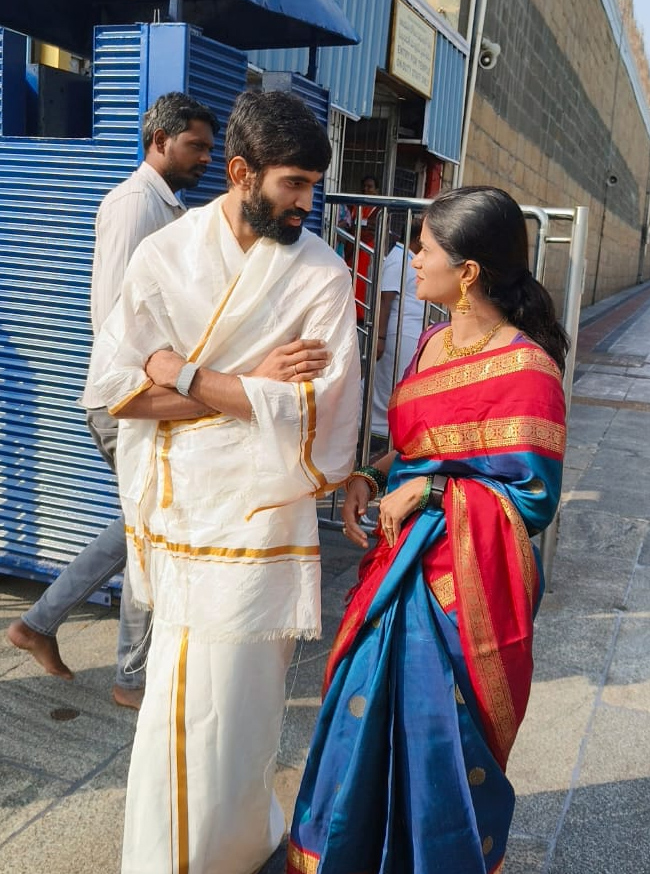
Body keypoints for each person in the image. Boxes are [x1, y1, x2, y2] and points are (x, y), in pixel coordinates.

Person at [87, 89, 360, 873]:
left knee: (242, 705)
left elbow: (321, 414)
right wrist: (246, 384)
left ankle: (237, 843)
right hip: (180, 512)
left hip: (262, 520)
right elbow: (119, 390)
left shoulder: (322, 278)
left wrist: (184, 372)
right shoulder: (163, 256)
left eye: (313, 185)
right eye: (294, 184)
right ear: (241, 172)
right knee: (180, 701)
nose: (309, 202)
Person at [288, 186, 569, 874]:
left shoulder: (529, 371)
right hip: (397, 567)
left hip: (459, 589)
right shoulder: (435, 344)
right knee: (361, 716)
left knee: (436, 732)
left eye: (424, 248)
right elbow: (418, 448)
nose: (411, 260)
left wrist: (436, 490)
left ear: (467, 271)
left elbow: (531, 499)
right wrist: (375, 474)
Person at [7, 92, 218, 711]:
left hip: (145, 393)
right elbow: (115, 314)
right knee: (150, 525)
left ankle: (40, 626)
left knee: (141, 523)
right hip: (130, 396)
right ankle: (130, 676)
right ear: (160, 140)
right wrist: (163, 384)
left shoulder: (167, 205)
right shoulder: (133, 206)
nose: (206, 158)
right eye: (196, 146)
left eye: (209, 147)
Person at [371, 216, 424, 441]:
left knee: (399, 382)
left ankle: (386, 429)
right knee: (390, 383)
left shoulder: (408, 258)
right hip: (397, 333)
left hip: (408, 332)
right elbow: (385, 299)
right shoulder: (399, 259)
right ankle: (378, 430)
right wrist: (380, 337)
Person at [346, 174, 380, 322]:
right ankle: (349, 308)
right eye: (364, 187)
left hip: (368, 248)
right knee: (349, 276)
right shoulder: (355, 205)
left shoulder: (378, 208)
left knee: (362, 280)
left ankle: (359, 313)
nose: (366, 190)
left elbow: (373, 228)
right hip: (352, 247)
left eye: (370, 187)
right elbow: (350, 225)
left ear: (376, 190)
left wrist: (359, 228)